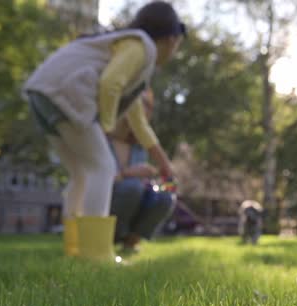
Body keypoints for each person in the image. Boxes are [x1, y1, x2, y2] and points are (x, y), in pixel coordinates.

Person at [23, 2, 185, 261]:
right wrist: (106, 127)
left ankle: (74, 249)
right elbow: (111, 83)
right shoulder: (142, 46)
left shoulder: (130, 52)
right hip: (67, 93)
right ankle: (96, 254)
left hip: (43, 93)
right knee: (102, 168)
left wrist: (164, 165)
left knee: (81, 174)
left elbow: (138, 122)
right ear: (171, 38)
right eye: (178, 44)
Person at [109, 89, 176, 252]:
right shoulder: (103, 138)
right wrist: (126, 174)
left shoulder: (142, 147)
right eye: (138, 101)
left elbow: (169, 184)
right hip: (107, 201)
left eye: (146, 104)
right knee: (132, 187)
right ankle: (108, 239)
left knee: (166, 196)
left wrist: (164, 183)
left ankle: (131, 242)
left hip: (134, 198)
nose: (141, 107)